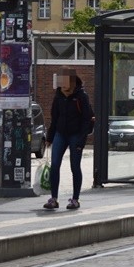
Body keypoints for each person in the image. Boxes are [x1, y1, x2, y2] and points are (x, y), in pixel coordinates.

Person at [43, 68, 93, 210]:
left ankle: (75, 199)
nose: (62, 85)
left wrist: (81, 141)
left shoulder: (81, 96)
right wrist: (50, 137)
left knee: (74, 166)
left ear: (72, 81)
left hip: (76, 134)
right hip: (60, 133)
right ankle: (53, 198)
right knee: (55, 165)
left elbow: (86, 119)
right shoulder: (58, 96)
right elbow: (54, 118)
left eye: (65, 82)